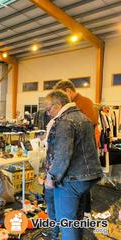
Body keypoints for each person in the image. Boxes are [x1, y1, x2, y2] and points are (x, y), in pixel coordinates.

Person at [44, 90, 102, 240]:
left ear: (57, 105)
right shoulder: (84, 118)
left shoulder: (65, 121)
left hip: (71, 179)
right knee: (76, 219)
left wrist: (51, 177)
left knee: (67, 223)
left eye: (48, 109)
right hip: (88, 177)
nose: (48, 113)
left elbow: (62, 155)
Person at [54, 80, 98, 218]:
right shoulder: (75, 104)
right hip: (77, 151)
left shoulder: (84, 102)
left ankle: (86, 212)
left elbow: (89, 126)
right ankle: (78, 211)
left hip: (83, 152)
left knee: (82, 181)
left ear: (68, 91)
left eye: (62, 95)